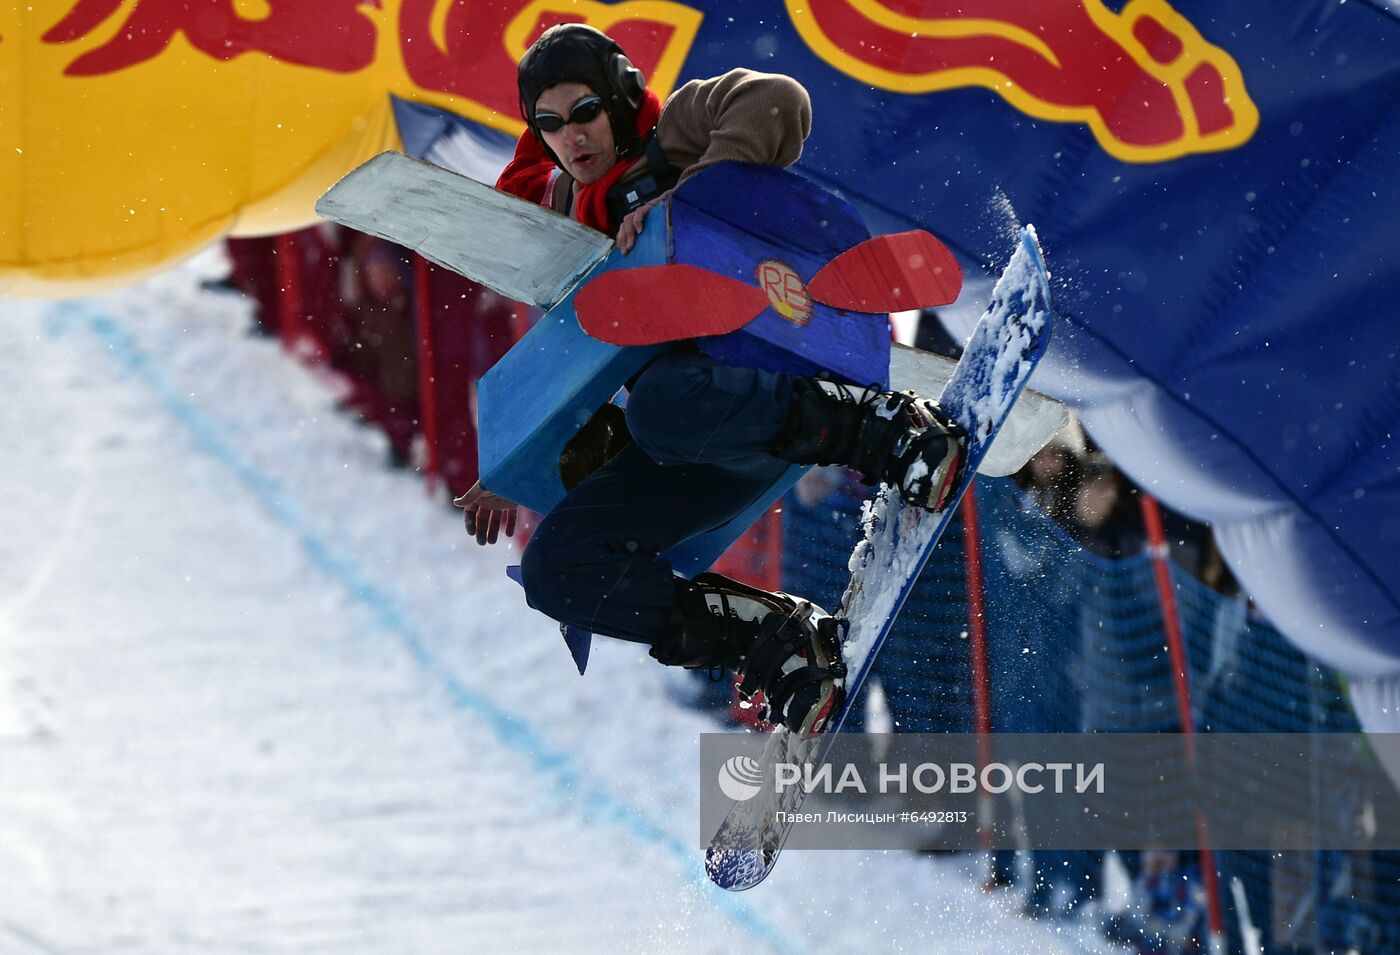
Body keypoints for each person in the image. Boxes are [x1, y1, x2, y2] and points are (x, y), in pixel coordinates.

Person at [454, 23, 966, 735]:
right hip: (696, 441)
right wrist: (512, 462)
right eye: (549, 125)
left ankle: (882, 429)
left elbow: (777, 101)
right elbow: (574, 360)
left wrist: (688, 197)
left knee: (662, 404)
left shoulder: (673, 134)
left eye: (584, 113)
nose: (572, 136)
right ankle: (773, 639)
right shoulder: (569, 211)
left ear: (618, 98)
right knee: (557, 569)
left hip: (761, 380)